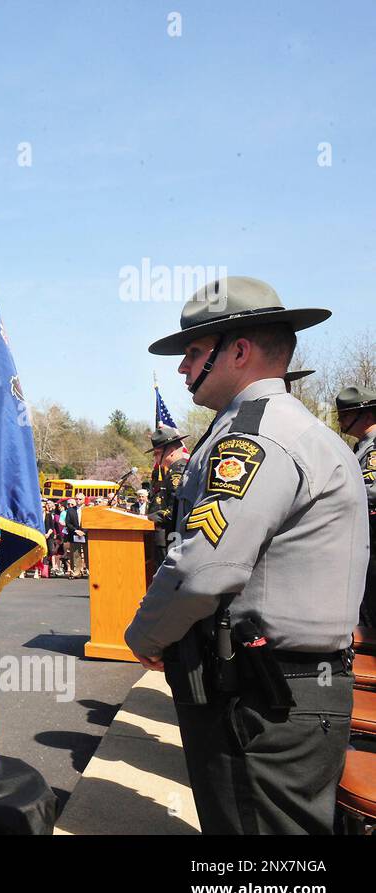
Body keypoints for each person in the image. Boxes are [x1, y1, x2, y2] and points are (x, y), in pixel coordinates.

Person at [124, 276, 365, 835]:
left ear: (238, 351)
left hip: (261, 698)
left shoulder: (255, 439)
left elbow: (204, 568)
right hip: (285, 687)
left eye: (192, 352)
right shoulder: (295, 431)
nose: (183, 368)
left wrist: (146, 633)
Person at [336, 385, 376, 626]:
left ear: (368, 415)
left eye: (347, 414)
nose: (341, 420)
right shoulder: (363, 447)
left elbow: (371, 490)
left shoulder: (373, 450)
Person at [147, 424, 190, 565]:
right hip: (173, 534)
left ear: (171, 450)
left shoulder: (177, 473)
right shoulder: (174, 470)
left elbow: (176, 510)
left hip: (175, 535)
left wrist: (152, 517)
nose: (155, 457)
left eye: (157, 453)